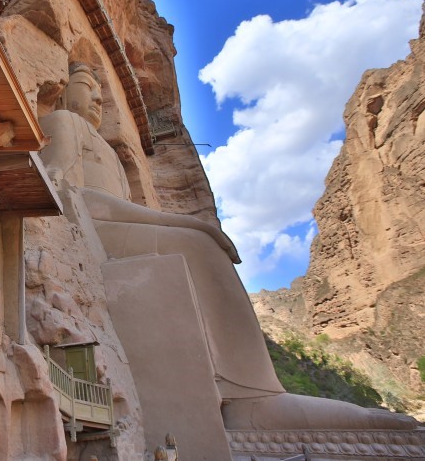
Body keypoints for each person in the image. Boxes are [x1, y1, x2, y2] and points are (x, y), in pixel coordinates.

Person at [38, 62, 417, 430]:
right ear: (67, 90)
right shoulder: (64, 122)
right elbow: (74, 191)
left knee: (197, 244)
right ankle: (253, 395)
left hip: (117, 225)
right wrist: (183, 220)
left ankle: (248, 388)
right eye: (88, 89)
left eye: (102, 95)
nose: (98, 101)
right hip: (92, 227)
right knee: (197, 245)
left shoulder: (111, 155)